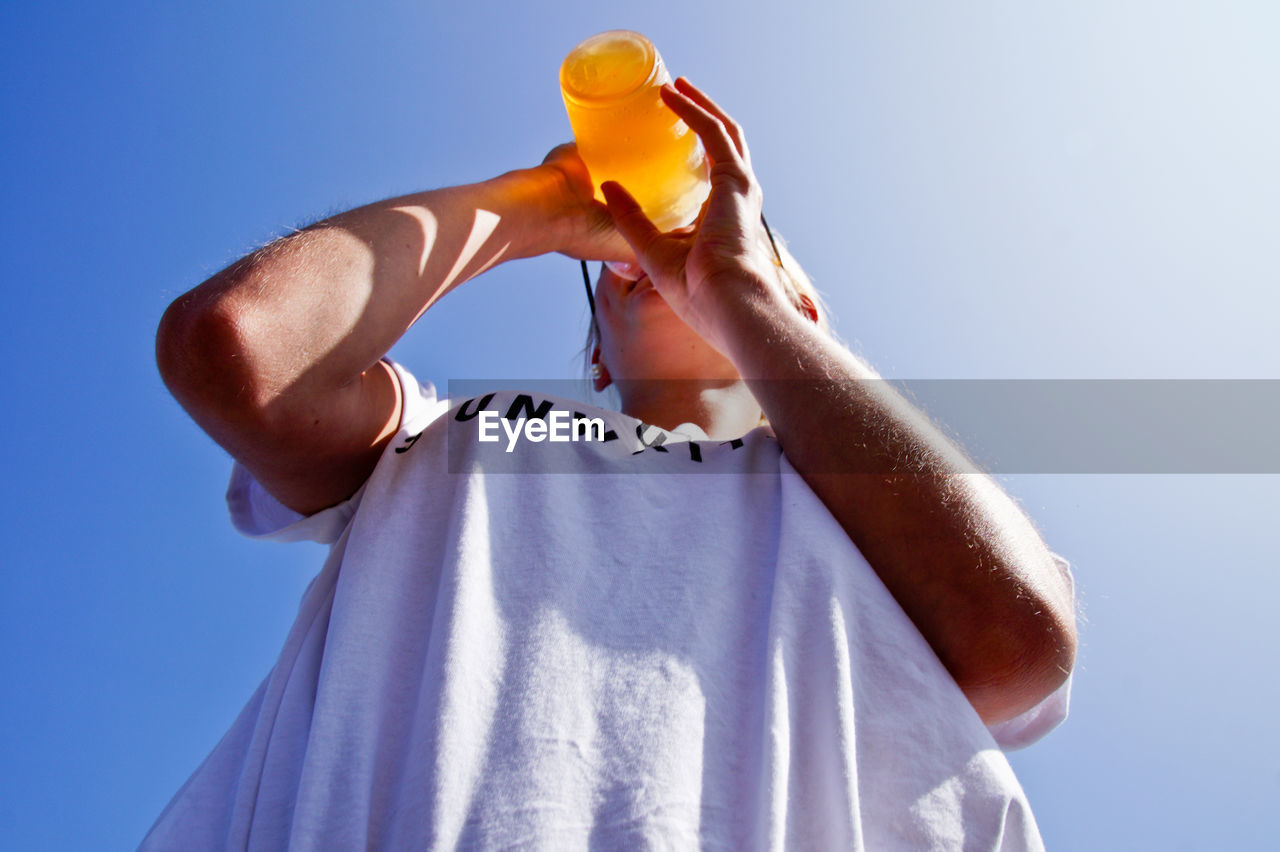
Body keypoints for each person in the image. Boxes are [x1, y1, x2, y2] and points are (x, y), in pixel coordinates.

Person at [146, 78, 1076, 849]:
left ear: (800, 312)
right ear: (598, 356)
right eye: (633, 257)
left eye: (734, 249)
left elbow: (1017, 639)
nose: (665, 253)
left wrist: (737, 291)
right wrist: (538, 205)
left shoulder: (868, 514)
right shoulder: (444, 440)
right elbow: (237, 346)